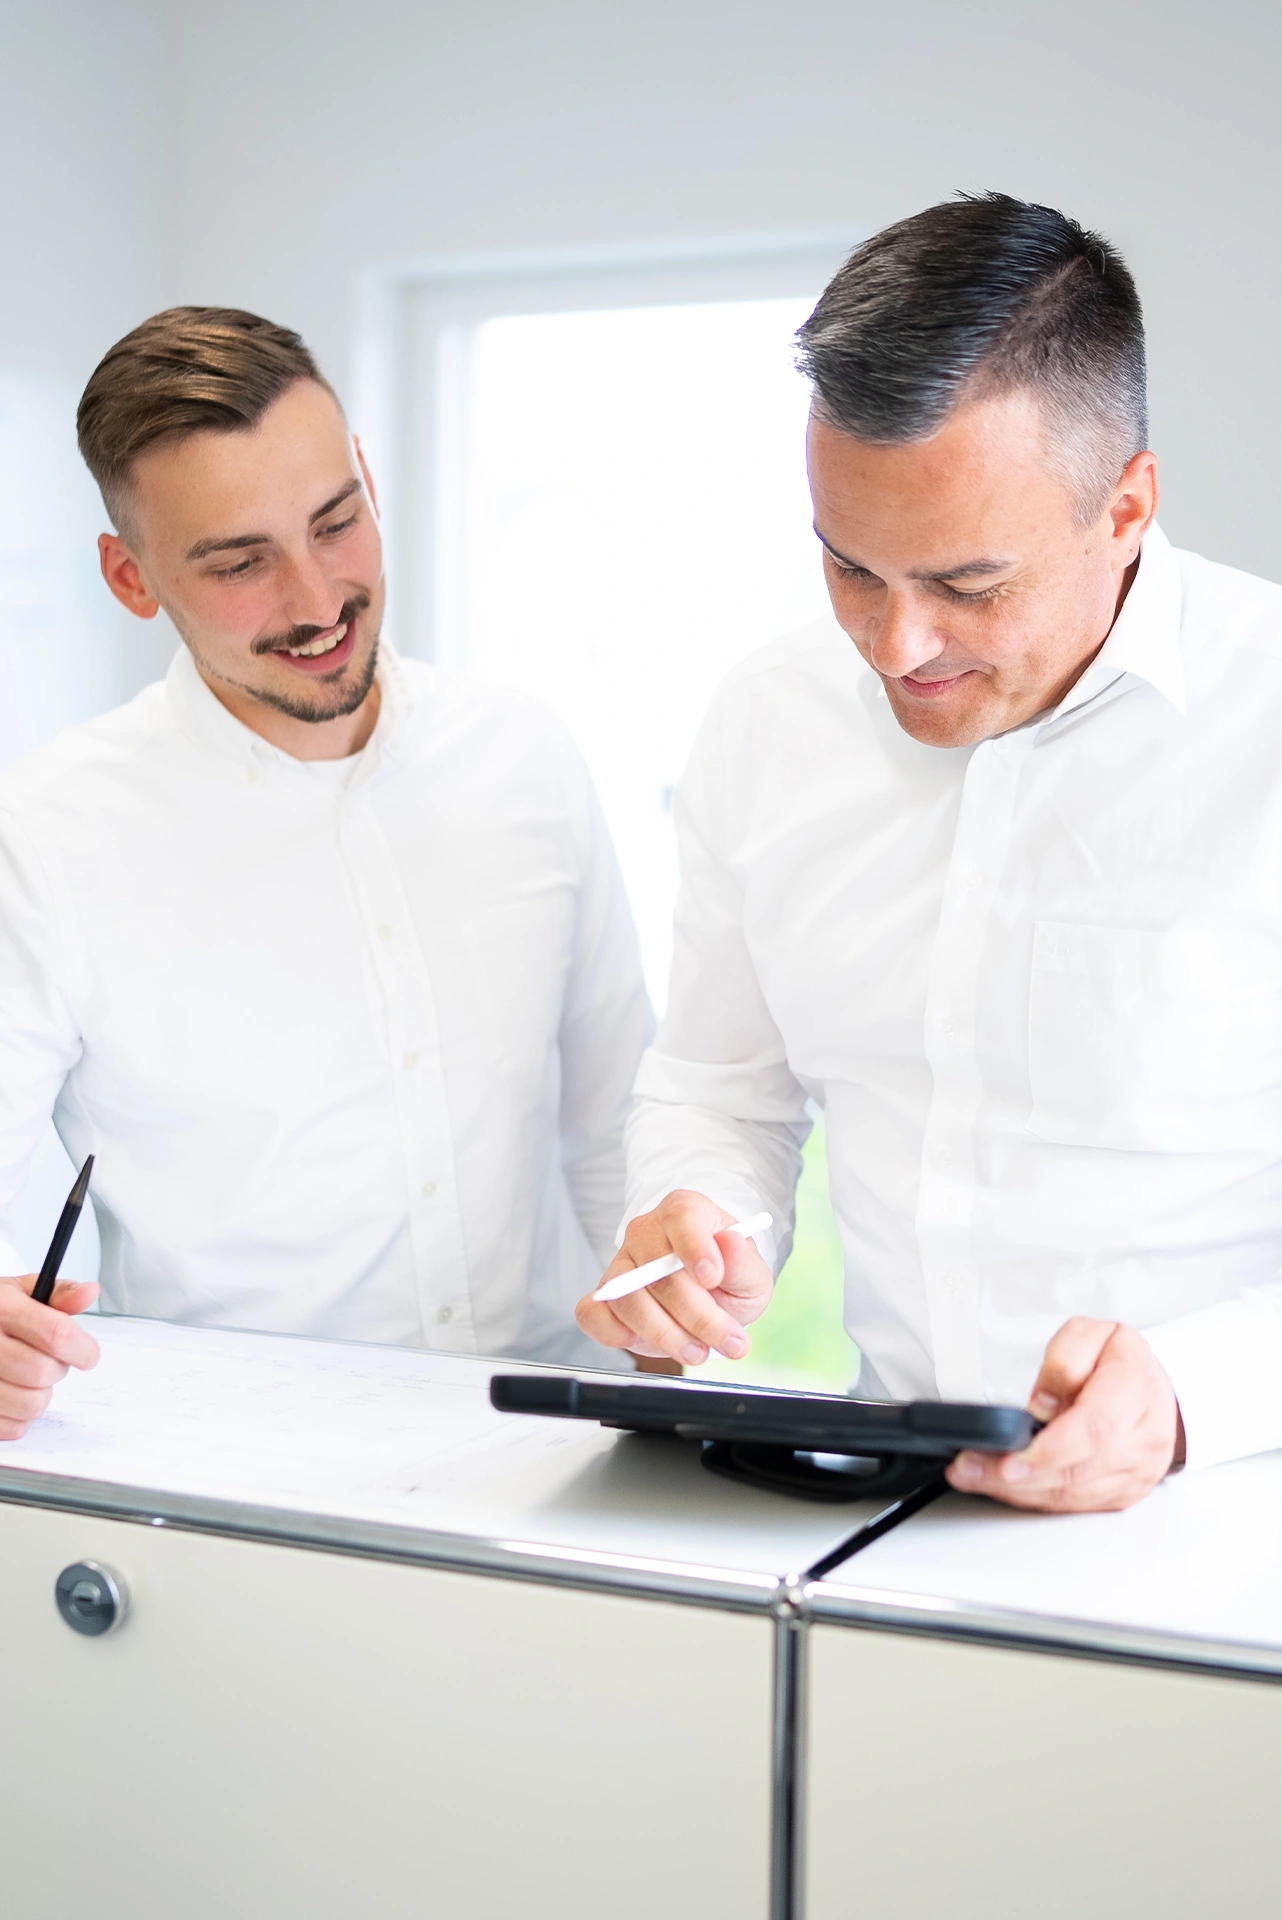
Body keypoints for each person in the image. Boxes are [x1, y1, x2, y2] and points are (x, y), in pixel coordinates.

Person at [578, 191, 1282, 1514]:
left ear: (1126, 506)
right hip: (882, 1521)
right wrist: (694, 1225)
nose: (896, 648)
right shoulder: (765, 721)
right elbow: (722, 1089)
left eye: (968, 585)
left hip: (1234, 1528)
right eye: (850, 567)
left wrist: (1194, 1394)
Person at [0, 307, 651, 1440]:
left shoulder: (526, 757)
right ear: (130, 577)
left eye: (336, 523)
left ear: (368, 483)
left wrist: (660, 1374)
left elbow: (616, 1124)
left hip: (554, 1447)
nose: (315, 601)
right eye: (240, 563)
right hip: (237, 1470)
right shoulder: (48, 836)